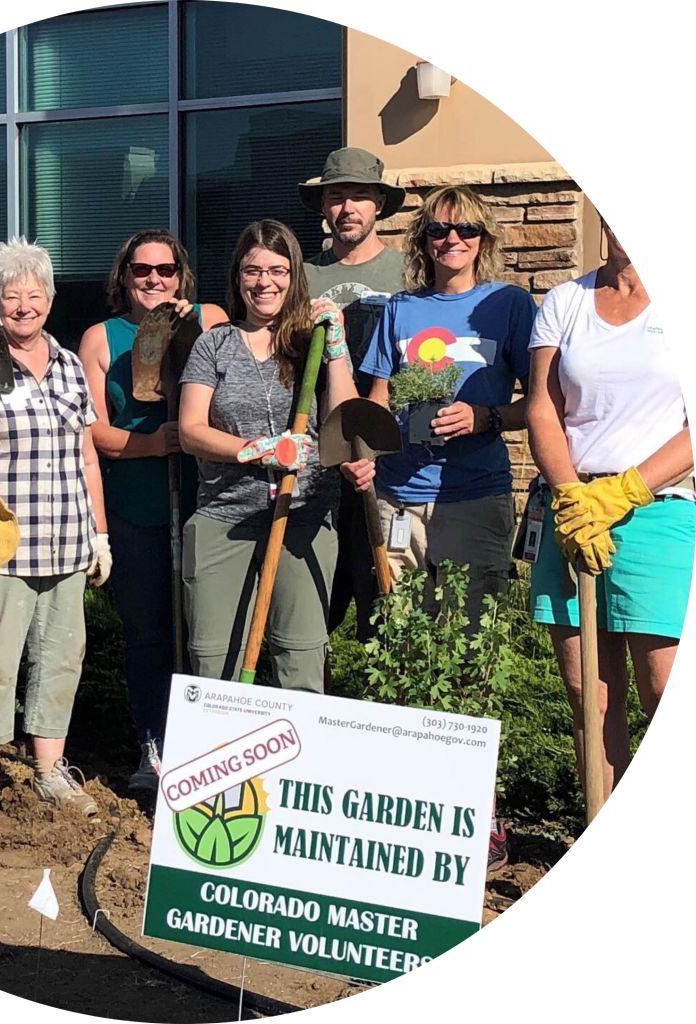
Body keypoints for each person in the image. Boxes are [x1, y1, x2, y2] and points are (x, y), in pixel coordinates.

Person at [347, 185, 536, 873]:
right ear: (422, 243)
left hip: (473, 497)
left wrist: (486, 418)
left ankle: (479, 815)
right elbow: (372, 403)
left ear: (483, 238)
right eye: (437, 231)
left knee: (471, 653)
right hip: (401, 501)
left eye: (464, 231)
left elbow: (541, 404)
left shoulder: (508, 307)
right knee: (399, 645)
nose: (451, 241)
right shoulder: (399, 310)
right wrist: (364, 458)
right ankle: (412, 807)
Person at [0, 237, 110, 831]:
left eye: (32, 295)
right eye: (9, 296)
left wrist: (100, 535)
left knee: (62, 658)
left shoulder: (68, 365)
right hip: (3, 549)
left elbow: (87, 454)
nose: (22, 306)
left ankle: (49, 771)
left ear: (50, 298)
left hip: (67, 539)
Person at [525, 217, 693, 804]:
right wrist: (572, 494)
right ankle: (601, 830)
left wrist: (622, 493)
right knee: (589, 696)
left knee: (665, 690)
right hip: (570, 511)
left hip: (658, 511)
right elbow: (543, 408)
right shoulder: (566, 302)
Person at [78, 230, 227, 799]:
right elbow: (95, 432)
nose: (154, 280)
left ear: (180, 274)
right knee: (147, 633)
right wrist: (157, 442)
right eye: (142, 270)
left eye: (165, 270)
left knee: (205, 631)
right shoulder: (101, 338)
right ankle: (154, 743)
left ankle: (208, 745)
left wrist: (189, 333)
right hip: (137, 502)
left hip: (205, 501)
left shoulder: (209, 318)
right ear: (125, 276)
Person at [178, 219, 355, 690]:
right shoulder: (213, 344)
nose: (265, 282)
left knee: (301, 657)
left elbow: (343, 423)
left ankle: (292, 766)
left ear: (294, 275)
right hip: (224, 518)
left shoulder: (309, 342)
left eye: (278, 270)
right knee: (216, 659)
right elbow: (191, 430)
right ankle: (227, 762)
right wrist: (256, 450)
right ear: (238, 277)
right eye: (254, 270)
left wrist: (336, 349)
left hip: (303, 518)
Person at [298, 147, 407, 639]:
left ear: (379, 204)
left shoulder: (408, 275)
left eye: (359, 197)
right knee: (312, 604)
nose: (347, 208)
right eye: (336, 197)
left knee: (381, 604)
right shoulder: (302, 276)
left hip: (384, 458)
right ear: (323, 207)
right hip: (319, 456)